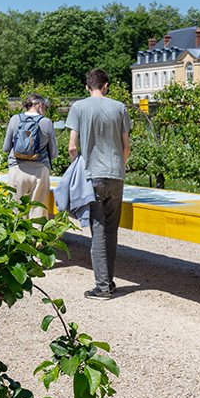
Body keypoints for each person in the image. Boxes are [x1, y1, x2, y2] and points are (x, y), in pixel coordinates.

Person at [66, 69, 132, 300]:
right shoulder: (120, 107)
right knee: (111, 231)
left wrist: (78, 166)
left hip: (92, 176)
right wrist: (119, 168)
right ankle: (109, 281)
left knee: (97, 232)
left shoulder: (78, 107)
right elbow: (126, 147)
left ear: (87, 87)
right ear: (106, 85)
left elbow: (72, 147)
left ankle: (102, 287)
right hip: (116, 175)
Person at [3, 94, 58, 219]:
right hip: (40, 172)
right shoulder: (46, 122)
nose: (45, 110)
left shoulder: (14, 119)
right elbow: (54, 153)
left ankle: (17, 238)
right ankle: (35, 238)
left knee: (15, 211)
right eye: (45, 107)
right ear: (40, 104)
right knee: (38, 211)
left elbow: (6, 148)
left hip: (17, 170)